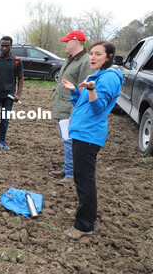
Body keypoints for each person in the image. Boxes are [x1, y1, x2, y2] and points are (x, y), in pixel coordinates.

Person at [61, 40, 123, 239]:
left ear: (109, 57)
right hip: (81, 131)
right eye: (92, 53)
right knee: (81, 177)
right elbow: (82, 103)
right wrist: (74, 90)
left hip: (90, 135)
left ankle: (85, 224)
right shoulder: (96, 76)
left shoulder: (109, 78)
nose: (92, 57)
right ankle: (83, 210)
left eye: (98, 54)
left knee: (85, 178)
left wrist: (90, 89)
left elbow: (99, 108)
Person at [50, 30, 93, 186]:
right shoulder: (72, 59)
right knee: (66, 140)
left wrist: (73, 112)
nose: (65, 44)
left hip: (70, 109)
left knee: (69, 141)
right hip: (63, 106)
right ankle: (67, 168)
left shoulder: (85, 62)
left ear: (76, 42)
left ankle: (70, 174)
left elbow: (84, 90)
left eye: (67, 42)